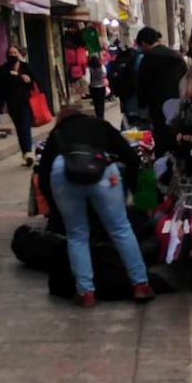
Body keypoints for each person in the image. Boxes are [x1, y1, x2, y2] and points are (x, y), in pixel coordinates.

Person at [38, 107, 156, 308]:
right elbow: (131, 158)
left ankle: (86, 293)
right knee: (121, 229)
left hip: (63, 175)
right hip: (102, 173)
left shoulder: (56, 134)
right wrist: (129, 190)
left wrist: (54, 208)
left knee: (77, 235)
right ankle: (141, 285)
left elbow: (43, 176)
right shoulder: (100, 125)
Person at [135, 27, 187, 155]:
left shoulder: (148, 59)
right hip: (178, 105)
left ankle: (163, 167)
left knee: (162, 141)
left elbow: (143, 86)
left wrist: (142, 104)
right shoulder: (176, 56)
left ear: (143, 43)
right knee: (178, 138)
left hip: (158, 109)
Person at [0, 45, 37, 166]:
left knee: (25, 127)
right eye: (10, 53)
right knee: (20, 129)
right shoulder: (4, 69)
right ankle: (26, 154)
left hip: (26, 102)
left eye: (15, 53)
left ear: (19, 54)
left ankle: (28, 153)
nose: (12, 55)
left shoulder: (26, 67)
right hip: (12, 104)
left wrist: (29, 80)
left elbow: (36, 81)